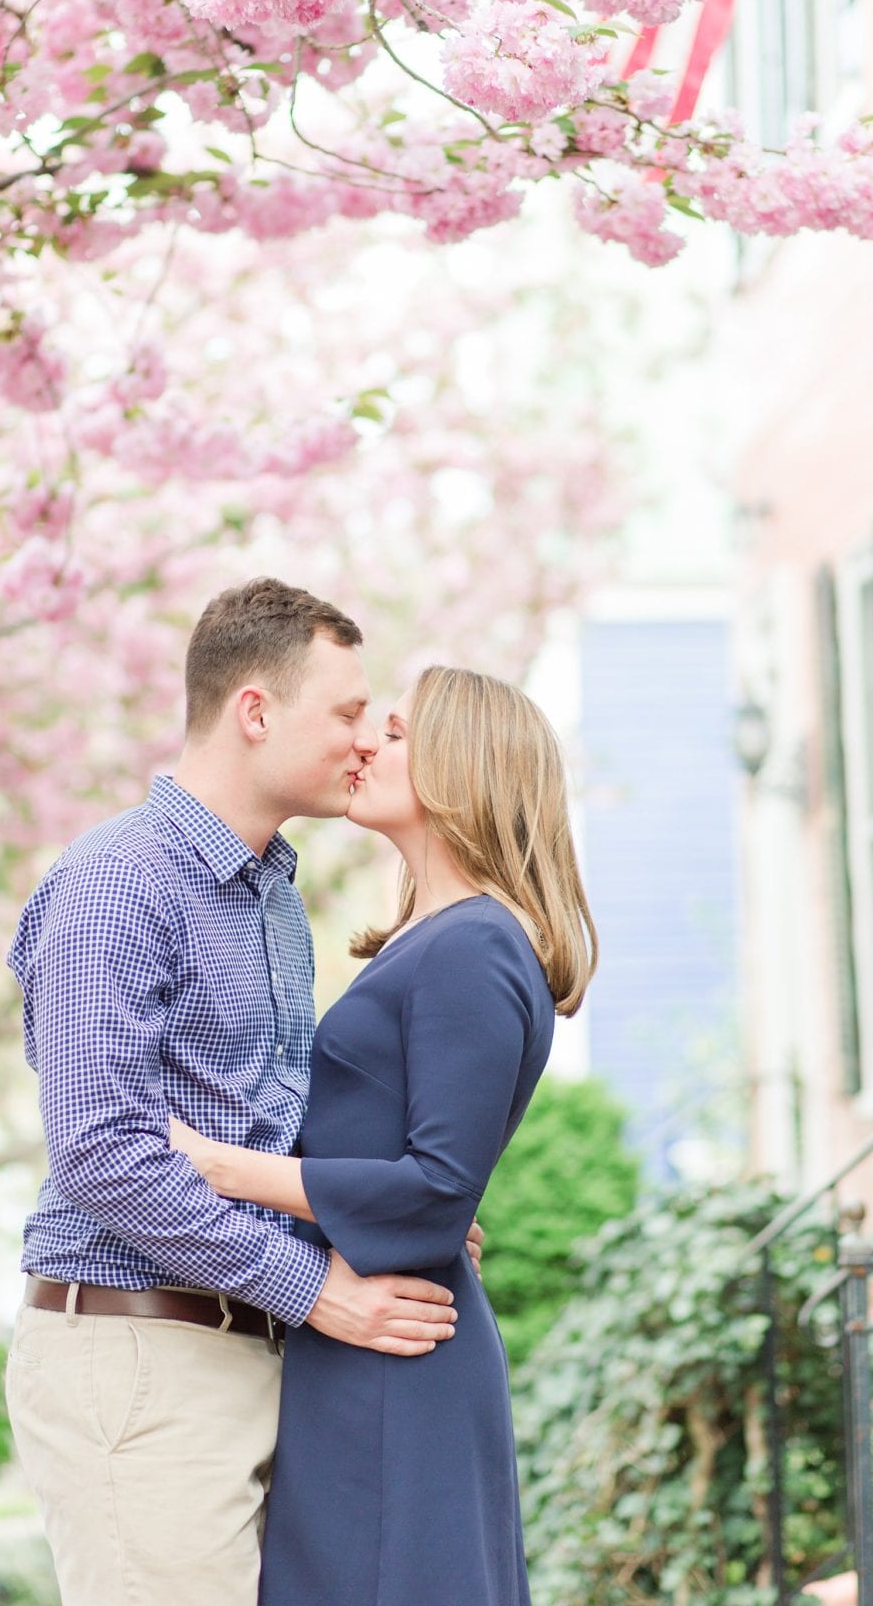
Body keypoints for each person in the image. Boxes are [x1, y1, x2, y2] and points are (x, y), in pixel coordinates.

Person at [3, 578, 470, 1606]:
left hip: (253, 1351)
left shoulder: (270, 897)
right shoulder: (118, 883)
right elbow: (104, 1155)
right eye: (348, 712)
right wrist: (321, 1292)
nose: (366, 740)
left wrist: (384, 1206)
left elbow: (269, 1132)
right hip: (139, 1351)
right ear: (255, 711)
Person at [170, 664, 597, 1606]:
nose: (366, 742)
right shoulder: (436, 936)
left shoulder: (477, 944)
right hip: (368, 1339)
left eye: (396, 733)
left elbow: (438, 1192)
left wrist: (220, 1168)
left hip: (397, 1357)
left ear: (463, 769)